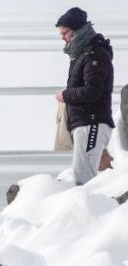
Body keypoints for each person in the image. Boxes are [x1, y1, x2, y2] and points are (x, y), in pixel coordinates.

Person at [54, 7, 114, 185]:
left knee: (84, 180)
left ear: (78, 31)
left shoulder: (94, 55)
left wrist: (66, 95)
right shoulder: (82, 55)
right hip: (85, 123)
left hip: (91, 123)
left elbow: (92, 91)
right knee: (84, 177)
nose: (63, 38)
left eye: (65, 33)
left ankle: (91, 211)